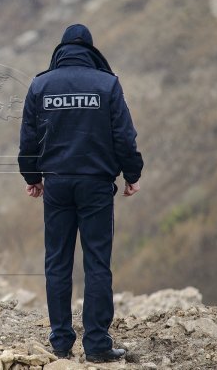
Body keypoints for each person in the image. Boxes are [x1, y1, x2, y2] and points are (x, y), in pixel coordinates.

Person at [18, 24, 143, 363]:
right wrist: (132, 173)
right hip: (96, 185)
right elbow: (124, 137)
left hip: (56, 184)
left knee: (57, 262)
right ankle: (98, 345)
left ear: (61, 51)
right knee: (97, 263)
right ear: (90, 51)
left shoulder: (41, 85)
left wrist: (32, 175)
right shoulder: (107, 84)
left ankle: (60, 343)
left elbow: (29, 138)